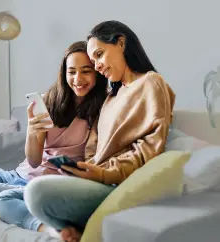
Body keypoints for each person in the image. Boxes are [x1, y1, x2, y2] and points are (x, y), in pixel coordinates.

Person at [0, 41, 108, 233]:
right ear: (64, 73)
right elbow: (33, 161)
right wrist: (32, 131)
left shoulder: (103, 109)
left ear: (97, 73)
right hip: (16, 176)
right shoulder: (48, 101)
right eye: (71, 71)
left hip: (43, 186)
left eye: (86, 71)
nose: (78, 78)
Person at [24, 20, 176, 242]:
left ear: (121, 43)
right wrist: (82, 169)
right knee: (18, 193)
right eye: (93, 60)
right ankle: (73, 228)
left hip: (116, 185)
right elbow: (94, 150)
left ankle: (68, 227)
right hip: (95, 181)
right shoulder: (112, 97)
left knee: (36, 193)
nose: (96, 66)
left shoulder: (151, 83)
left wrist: (103, 174)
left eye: (99, 55)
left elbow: (148, 150)